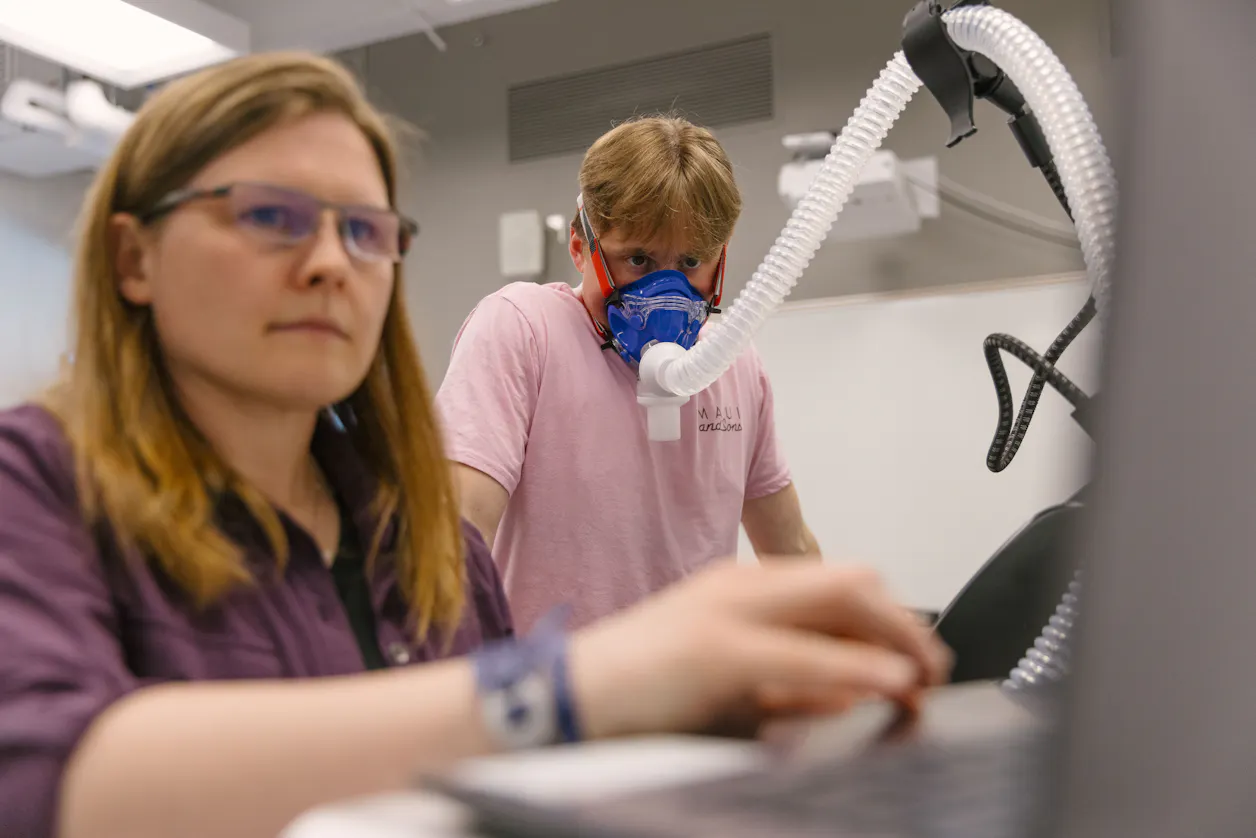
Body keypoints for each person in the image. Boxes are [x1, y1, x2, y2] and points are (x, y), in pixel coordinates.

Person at [0, 53, 949, 838]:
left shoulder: (420, 548)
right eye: (270, 216)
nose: (332, 262)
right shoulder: (35, 485)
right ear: (133, 258)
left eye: (364, 230)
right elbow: (42, 786)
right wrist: (584, 686)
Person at [437, 115, 819, 633]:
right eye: (638, 259)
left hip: (694, 700)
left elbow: (791, 549)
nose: (667, 288)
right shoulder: (524, 331)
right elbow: (456, 537)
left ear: (721, 259)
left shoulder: (734, 363)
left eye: (690, 262)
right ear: (580, 247)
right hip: (559, 702)